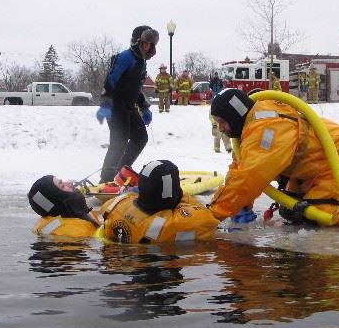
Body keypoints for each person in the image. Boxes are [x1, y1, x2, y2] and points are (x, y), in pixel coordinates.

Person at [208, 88, 339, 226]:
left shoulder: (266, 130)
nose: (222, 129)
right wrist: (241, 204)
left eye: (223, 122)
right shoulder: (250, 128)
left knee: (325, 215)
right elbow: (240, 171)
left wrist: (210, 216)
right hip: (309, 167)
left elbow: (249, 177)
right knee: (291, 212)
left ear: (236, 114)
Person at [28, 161, 220, 243]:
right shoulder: (74, 232)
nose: (70, 183)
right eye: (62, 186)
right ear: (59, 200)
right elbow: (210, 220)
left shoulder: (112, 208)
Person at [96, 25, 159, 183]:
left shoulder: (141, 62)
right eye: (145, 43)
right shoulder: (125, 57)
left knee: (140, 138)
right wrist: (105, 103)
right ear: (137, 42)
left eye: (150, 45)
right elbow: (111, 80)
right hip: (116, 107)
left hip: (129, 107)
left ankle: (120, 172)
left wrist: (144, 107)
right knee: (119, 140)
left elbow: (135, 87)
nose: (147, 47)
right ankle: (105, 179)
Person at [28, 175, 101, 237]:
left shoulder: (52, 223)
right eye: (62, 186)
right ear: (58, 202)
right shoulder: (74, 234)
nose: (70, 183)